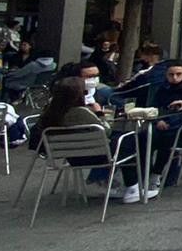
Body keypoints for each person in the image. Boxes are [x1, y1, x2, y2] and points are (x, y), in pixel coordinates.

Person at [28, 77, 157, 203]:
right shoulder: (81, 113)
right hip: (95, 155)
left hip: (69, 157)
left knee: (124, 140)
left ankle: (117, 184)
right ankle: (134, 187)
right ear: (79, 95)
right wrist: (99, 113)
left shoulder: (49, 113)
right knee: (134, 139)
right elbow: (105, 131)